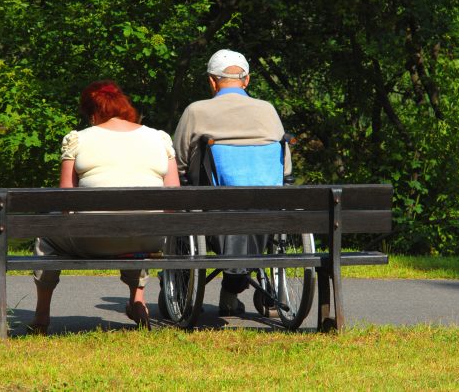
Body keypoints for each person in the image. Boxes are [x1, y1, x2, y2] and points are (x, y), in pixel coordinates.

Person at [30, 80, 180, 333]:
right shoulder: (159, 138)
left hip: (91, 239)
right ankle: (137, 301)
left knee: (46, 235)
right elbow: (173, 202)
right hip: (150, 240)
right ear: (124, 105)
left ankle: (42, 315)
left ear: (91, 112)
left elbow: (65, 202)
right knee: (140, 221)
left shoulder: (77, 140)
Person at [173, 49, 292, 316]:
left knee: (181, 195)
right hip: (265, 210)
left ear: (212, 82)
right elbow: (285, 169)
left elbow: (178, 162)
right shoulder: (267, 110)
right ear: (246, 80)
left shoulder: (196, 111)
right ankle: (239, 292)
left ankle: (181, 289)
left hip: (215, 211)